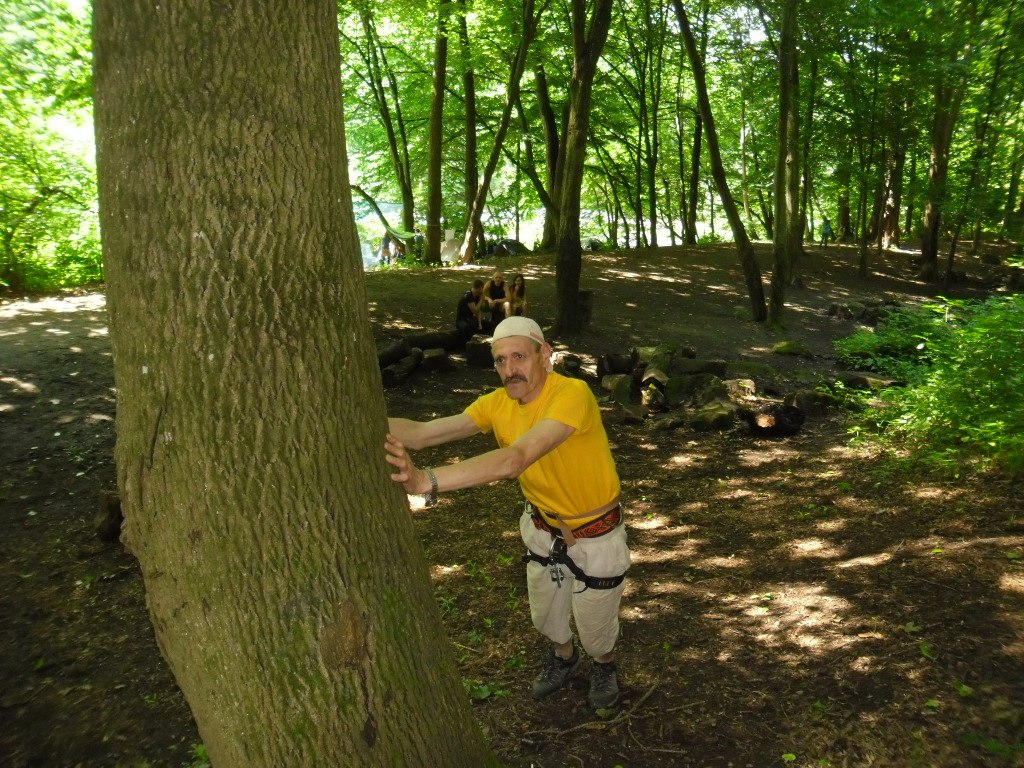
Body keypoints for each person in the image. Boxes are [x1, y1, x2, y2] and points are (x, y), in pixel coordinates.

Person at [384, 317, 630, 710]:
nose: (509, 368)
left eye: (519, 356)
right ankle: (563, 658)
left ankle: (604, 663)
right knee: (546, 613)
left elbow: (514, 460)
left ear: (544, 355)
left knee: (595, 623)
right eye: (500, 360)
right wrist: (354, 420)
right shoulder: (497, 404)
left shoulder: (572, 394)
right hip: (542, 529)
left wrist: (423, 482)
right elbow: (423, 433)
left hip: (597, 535)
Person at [455, 278, 486, 342]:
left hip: (470, 318)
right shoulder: (469, 296)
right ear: (480, 288)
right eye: (482, 288)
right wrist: (481, 300)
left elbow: (479, 311)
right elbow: (474, 311)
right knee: (466, 328)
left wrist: (480, 323)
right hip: (461, 320)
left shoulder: (477, 296)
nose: (482, 291)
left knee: (484, 324)